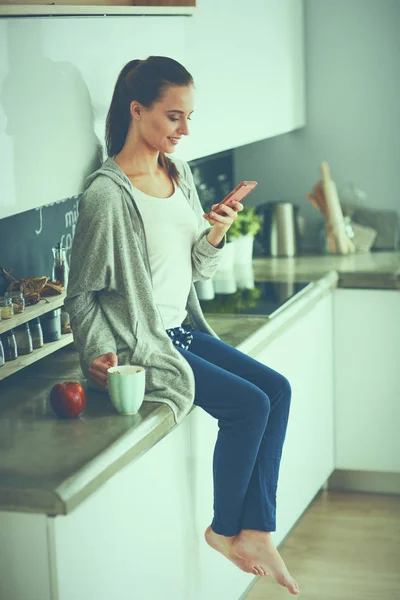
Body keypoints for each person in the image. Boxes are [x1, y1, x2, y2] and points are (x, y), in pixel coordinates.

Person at [65, 56, 300, 596]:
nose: (185, 130)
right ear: (136, 109)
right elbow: (81, 294)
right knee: (250, 405)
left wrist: (215, 233)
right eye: (175, 117)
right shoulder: (106, 195)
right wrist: (98, 355)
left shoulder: (180, 173)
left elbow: (194, 270)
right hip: (145, 344)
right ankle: (225, 530)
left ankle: (257, 529)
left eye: (189, 117)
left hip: (182, 328)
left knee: (278, 390)